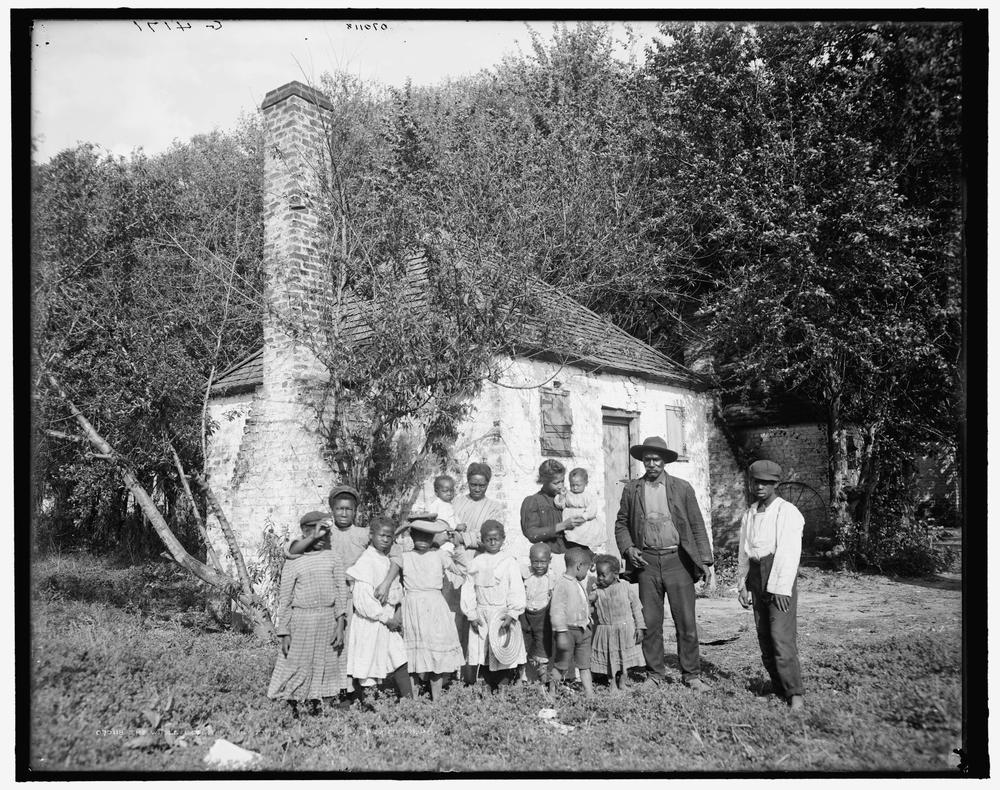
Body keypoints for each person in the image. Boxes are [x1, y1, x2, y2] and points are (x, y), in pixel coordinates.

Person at [614, 435, 714, 690]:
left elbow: (697, 525)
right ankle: (655, 675)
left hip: (677, 561)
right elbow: (621, 524)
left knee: (686, 622)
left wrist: (705, 561)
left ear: (665, 461)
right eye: (647, 459)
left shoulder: (682, 488)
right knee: (651, 622)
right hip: (646, 562)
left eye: (656, 459)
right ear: (642, 461)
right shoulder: (632, 489)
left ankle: (691, 675)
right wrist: (628, 548)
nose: (652, 464)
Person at [737, 459, 806, 712]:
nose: (760, 487)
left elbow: (789, 553)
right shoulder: (750, 513)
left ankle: (794, 692)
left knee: (780, 636)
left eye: (767, 483)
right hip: (756, 575)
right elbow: (744, 551)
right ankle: (777, 687)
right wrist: (742, 584)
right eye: (756, 482)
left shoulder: (787, 512)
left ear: (776, 484)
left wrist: (780, 588)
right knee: (764, 634)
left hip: (778, 575)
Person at [267, 511, 349, 717]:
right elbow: (284, 599)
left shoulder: (333, 558)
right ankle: (295, 708)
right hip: (302, 621)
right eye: (316, 535)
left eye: (325, 535)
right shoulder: (294, 560)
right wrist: (284, 631)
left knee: (329, 664)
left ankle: (324, 707)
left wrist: (340, 624)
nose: (322, 539)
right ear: (305, 533)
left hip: (328, 619)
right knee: (298, 664)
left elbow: (341, 592)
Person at [393, 518, 467, 701]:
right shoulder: (405, 555)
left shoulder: (439, 555)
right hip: (412, 606)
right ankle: (414, 700)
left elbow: (461, 572)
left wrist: (457, 545)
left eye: (428, 536)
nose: (423, 540)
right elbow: (390, 545)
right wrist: (404, 527)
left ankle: (437, 700)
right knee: (413, 656)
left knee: (436, 655)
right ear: (411, 535)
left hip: (435, 607)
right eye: (419, 535)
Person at [344, 517, 413, 705]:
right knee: (369, 664)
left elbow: (396, 590)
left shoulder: (386, 559)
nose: (385, 540)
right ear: (372, 536)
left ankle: (410, 702)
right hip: (372, 622)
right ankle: (370, 707)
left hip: (387, 620)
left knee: (399, 657)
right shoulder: (366, 561)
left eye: (389, 537)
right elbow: (363, 600)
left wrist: (395, 613)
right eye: (381, 535)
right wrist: (384, 617)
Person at [461, 520, 526, 691]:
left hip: (502, 614)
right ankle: (486, 688)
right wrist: (472, 614)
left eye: (496, 538)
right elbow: (468, 589)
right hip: (482, 614)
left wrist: (512, 613)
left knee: (503, 650)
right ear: (482, 540)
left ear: (503, 539)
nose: (492, 542)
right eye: (488, 539)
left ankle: (503, 688)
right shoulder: (477, 562)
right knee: (483, 652)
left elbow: (516, 589)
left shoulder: (509, 561)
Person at [521, 459, 587, 578]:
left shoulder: (568, 498)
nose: (561, 486)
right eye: (556, 483)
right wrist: (563, 525)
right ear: (544, 481)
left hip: (575, 556)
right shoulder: (534, 501)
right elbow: (531, 533)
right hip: (552, 559)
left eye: (562, 481)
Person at [589, 554, 645, 692]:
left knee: (624, 660)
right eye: (598, 575)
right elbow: (588, 604)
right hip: (606, 631)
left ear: (615, 574)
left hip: (625, 630)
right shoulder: (598, 591)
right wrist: (592, 592)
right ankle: (612, 683)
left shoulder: (625, 587)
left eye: (603, 575)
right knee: (610, 659)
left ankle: (623, 683)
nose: (600, 578)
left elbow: (636, 608)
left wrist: (640, 627)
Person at [549, 545, 596, 699]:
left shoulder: (577, 583)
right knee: (561, 665)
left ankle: (589, 693)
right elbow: (557, 610)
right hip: (568, 631)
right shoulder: (562, 584)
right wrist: (561, 633)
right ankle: (551, 692)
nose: (586, 573)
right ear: (578, 566)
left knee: (584, 665)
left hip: (583, 630)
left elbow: (580, 603)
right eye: (586, 569)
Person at [286, 484, 369, 569]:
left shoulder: (364, 534)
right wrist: (313, 536)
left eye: (349, 509)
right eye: (339, 509)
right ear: (332, 510)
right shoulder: (324, 532)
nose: (344, 514)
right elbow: (291, 552)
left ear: (355, 511)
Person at [521, 542, 556, 684]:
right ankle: (521, 679)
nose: (539, 566)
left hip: (543, 617)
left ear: (549, 561)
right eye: (535, 562)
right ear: (530, 560)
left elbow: (553, 596)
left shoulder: (551, 577)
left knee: (542, 650)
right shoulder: (526, 575)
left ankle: (544, 683)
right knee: (523, 648)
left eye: (543, 562)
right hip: (526, 615)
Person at [554, 467, 606, 553]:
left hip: (583, 521)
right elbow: (560, 505)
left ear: (586, 483)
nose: (574, 488)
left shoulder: (587, 496)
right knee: (572, 539)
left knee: (583, 538)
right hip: (570, 522)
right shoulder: (568, 494)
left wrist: (584, 517)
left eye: (578, 485)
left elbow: (592, 509)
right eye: (572, 485)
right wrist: (562, 496)